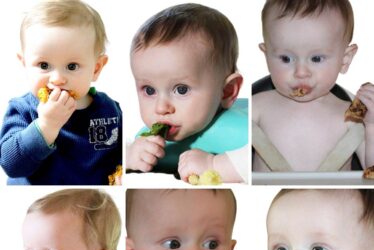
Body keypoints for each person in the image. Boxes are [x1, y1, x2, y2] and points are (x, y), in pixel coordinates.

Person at [0, 0, 122, 185]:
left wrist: (123, 173)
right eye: (44, 65)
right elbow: (11, 165)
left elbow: (122, 155)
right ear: (24, 64)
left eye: (72, 66)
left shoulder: (110, 110)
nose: (57, 79)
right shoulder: (22, 110)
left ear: (96, 69)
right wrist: (46, 126)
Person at [126, 3, 248, 183]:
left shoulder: (246, 131)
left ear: (227, 91)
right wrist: (128, 155)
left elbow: (264, 158)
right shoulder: (146, 142)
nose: (161, 108)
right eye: (149, 90)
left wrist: (215, 165)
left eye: (181, 90)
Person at [252, 0, 374, 172]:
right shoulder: (256, 107)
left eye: (316, 59)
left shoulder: (352, 117)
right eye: (286, 59)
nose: (301, 72)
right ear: (267, 56)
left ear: (345, 60)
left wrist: (371, 127)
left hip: (335, 199)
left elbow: (372, 171)